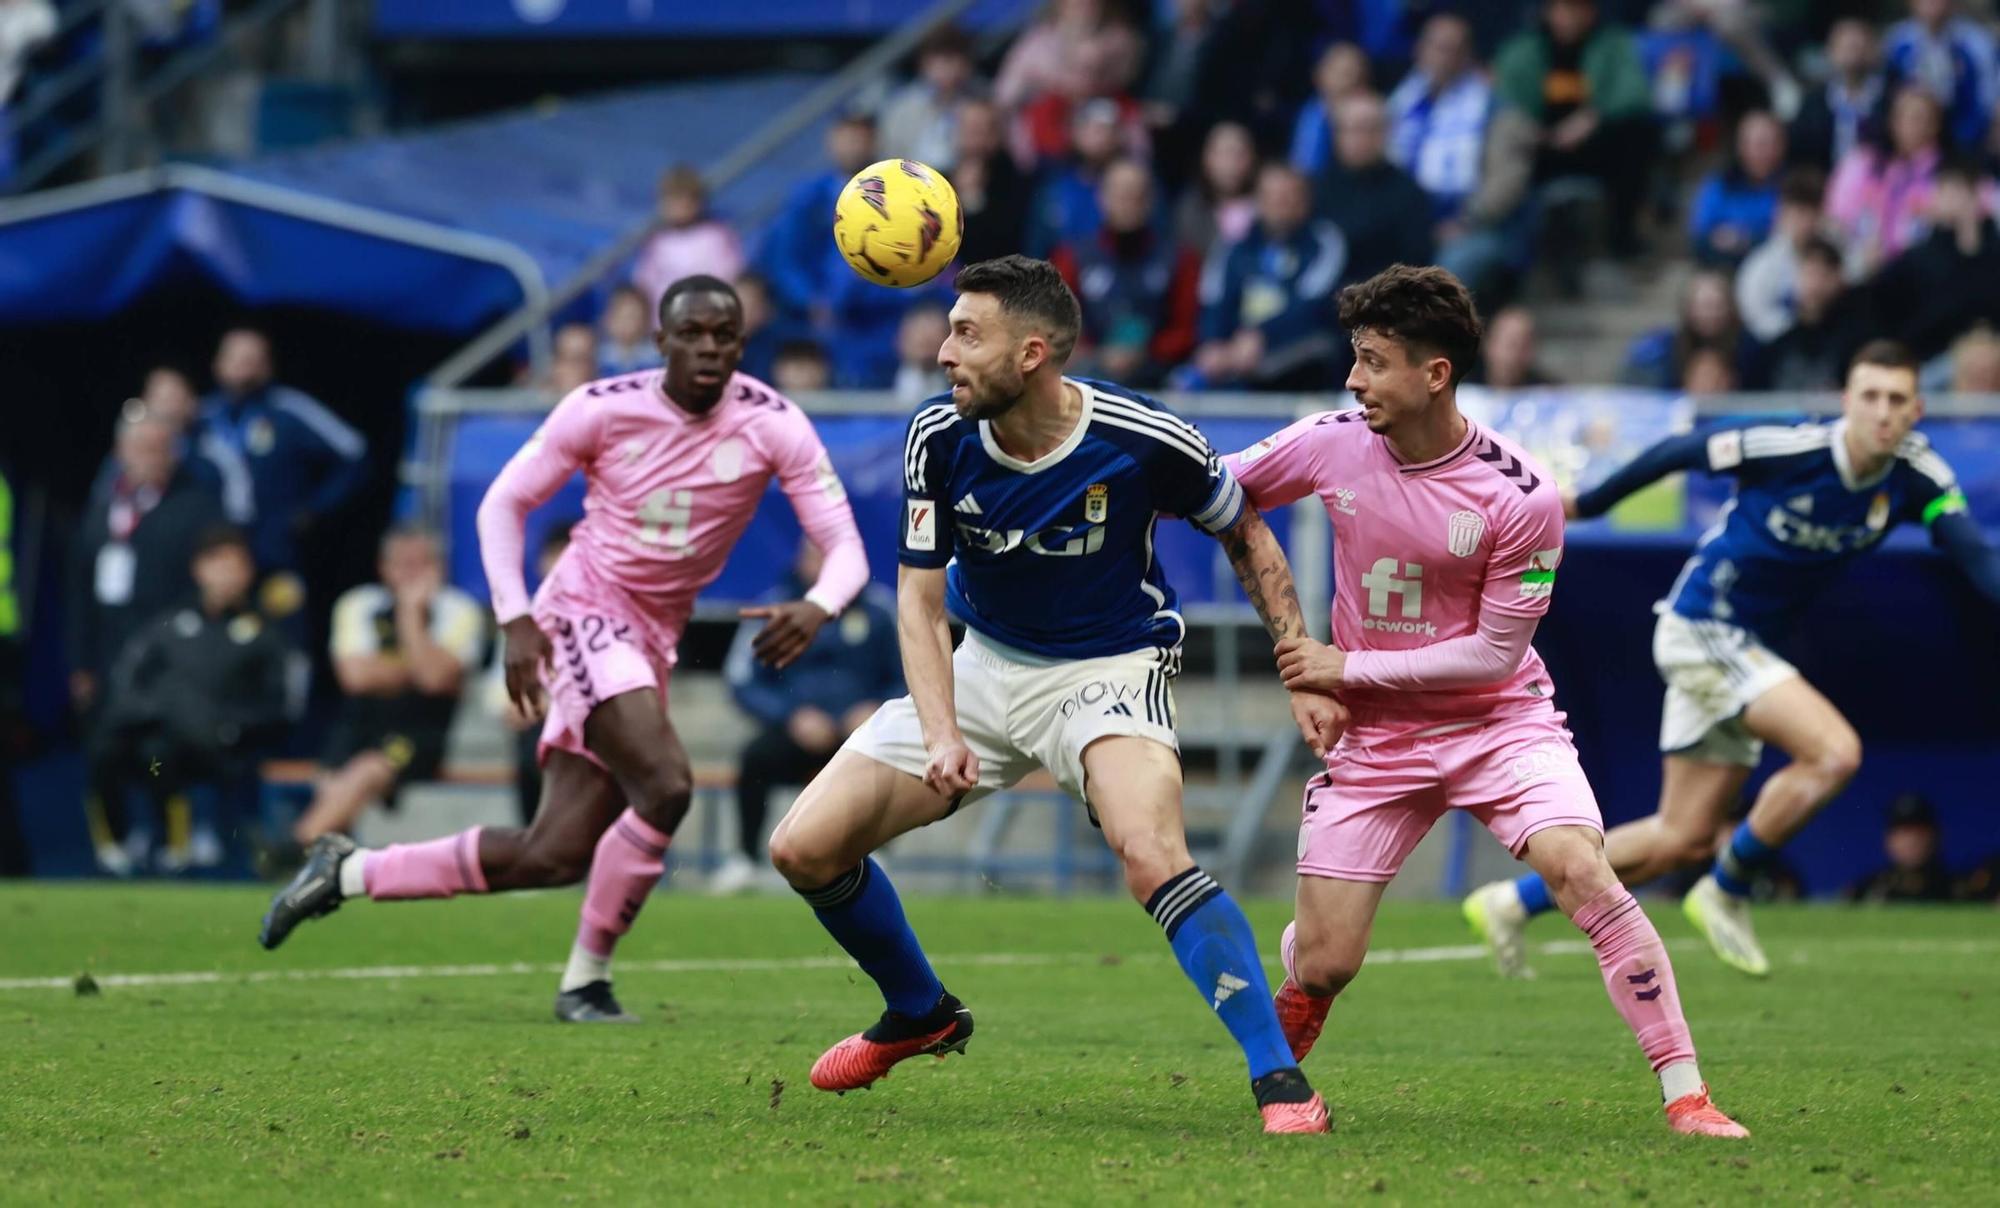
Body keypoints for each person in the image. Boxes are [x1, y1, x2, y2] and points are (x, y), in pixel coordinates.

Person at [765, 255, 1339, 1134]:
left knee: (1151, 852)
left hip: (1108, 671)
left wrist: (1298, 661)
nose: (944, 352)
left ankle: (1279, 1081)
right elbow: (918, 601)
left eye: (968, 334)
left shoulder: (1144, 437)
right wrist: (942, 728)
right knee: (803, 848)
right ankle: (921, 1012)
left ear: (1032, 353)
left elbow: (1246, 533)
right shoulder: (938, 438)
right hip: (984, 661)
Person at [258, 275, 870, 1028]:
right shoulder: (602, 408)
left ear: (742, 346)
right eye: (693, 333)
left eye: (725, 336)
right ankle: (585, 985)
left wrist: (818, 605)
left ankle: (345, 870)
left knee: (552, 853)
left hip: (651, 637)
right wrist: (514, 616)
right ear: (661, 342)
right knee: (669, 784)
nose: (709, 348)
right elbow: (503, 503)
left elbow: (845, 547)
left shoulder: (774, 423)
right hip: (583, 609)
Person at [1228, 264, 1746, 1140]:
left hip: (1498, 721)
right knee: (1324, 963)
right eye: (1355, 359)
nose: (1355, 380)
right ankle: (1306, 978)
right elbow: (1221, 495)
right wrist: (1296, 656)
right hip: (1378, 740)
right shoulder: (1330, 439)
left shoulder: (1523, 495)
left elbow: (1491, 654)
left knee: (1581, 869)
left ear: (1435, 375)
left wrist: (1338, 670)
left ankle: (1687, 1096)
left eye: (1374, 362)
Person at [1469, 340, 2000, 977]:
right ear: (1846, 402)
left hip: (1747, 646)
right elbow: (1684, 449)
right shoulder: (1793, 447)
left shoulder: (1919, 479)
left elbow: (1974, 554)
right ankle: (1728, 887)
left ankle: (1510, 900)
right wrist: (1595, 501)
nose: (1882, 412)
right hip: (1705, 625)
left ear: (1916, 409)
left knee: (1681, 836)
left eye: (1896, 400)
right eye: (1870, 397)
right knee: (1834, 753)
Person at [70, 407, 227, 873]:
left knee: (158, 757)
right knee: (102, 754)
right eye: (140, 448)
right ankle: (113, 842)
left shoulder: (195, 507)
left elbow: (207, 584)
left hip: (166, 658)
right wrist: (81, 662)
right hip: (109, 655)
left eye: (159, 449)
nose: (148, 458)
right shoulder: (104, 508)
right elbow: (80, 590)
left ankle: (170, 840)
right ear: (121, 452)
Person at [93, 526, 294, 873]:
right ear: (198, 569)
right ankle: (117, 844)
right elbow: (129, 676)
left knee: (159, 752)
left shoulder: (264, 633)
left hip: (223, 747)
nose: (226, 575)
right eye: (217, 564)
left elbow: (281, 703)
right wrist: (146, 710)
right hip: (160, 742)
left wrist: (233, 727)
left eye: (235, 565)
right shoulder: (171, 622)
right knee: (117, 750)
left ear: (249, 571)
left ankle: (179, 844)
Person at [718, 540, 902, 895]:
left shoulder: (880, 610)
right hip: (798, 732)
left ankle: (879, 852)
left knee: (892, 755)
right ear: (802, 560)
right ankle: (745, 859)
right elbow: (743, 679)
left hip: (861, 732)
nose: (824, 566)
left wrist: (878, 709)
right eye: (817, 556)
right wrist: (790, 716)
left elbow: (909, 673)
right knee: (755, 758)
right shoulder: (774, 607)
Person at [290, 527, 486, 845]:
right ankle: (325, 866)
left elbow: (434, 680)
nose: (411, 574)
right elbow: (355, 678)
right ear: (384, 567)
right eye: (402, 563)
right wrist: (417, 664)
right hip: (360, 725)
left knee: (369, 769)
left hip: (421, 731)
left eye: (421, 564)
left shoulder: (459, 610)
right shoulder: (358, 604)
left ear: (440, 568)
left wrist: (410, 615)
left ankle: (295, 846)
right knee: (333, 780)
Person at [193, 328, 368, 580]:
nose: (244, 369)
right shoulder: (200, 417)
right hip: (215, 552)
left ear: (268, 366)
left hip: (276, 550)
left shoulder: (289, 408)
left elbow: (355, 453)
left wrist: (314, 510)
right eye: (236, 359)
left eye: (253, 360)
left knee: (280, 614)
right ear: (218, 364)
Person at [1493, 0, 1655, 257]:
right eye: (1563, 8)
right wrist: (1539, 133)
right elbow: (1504, 101)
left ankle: (1621, 237)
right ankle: (1510, 250)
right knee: (1505, 140)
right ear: (1548, 11)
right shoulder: (1522, 50)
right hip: (1538, 146)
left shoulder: (1613, 44)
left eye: (1579, 9)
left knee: (1638, 133)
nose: (1570, 17)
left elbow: (1635, 94)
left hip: (1593, 145)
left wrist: (1592, 117)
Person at [1189, 164, 1347, 390]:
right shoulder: (1234, 246)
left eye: (1288, 196)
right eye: (1271, 197)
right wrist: (1214, 343)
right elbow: (1215, 299)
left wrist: (1262, 335)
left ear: (1304, 200)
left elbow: (1313, 304)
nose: (1280, 205)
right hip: (1236, 355)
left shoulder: (1324, 242)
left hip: (1298, 353)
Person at [1049, 158, 1201, 388]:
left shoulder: (1179, 259)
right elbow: (1054, 325)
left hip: (1159, 380)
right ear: (1102, 198)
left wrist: (1146, 352)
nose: (1128, 203)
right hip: (1089, 378)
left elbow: (1188, 329)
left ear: (1150, 201)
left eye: (1136, 195)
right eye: (1120, 194)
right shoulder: (1071, 258)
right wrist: (1098, 354)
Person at [1868, 160, 2000, 364]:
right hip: (1933, 359)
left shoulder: (1992, 251)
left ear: (1975, 196)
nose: (1951, 200)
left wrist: (1970, 243)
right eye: (1943, 192)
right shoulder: (1917, 257)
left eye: (1959, 192)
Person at [1313, 93, 1435, 286]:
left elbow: (1415, 265)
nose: (1359, 139)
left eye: (1369, 129)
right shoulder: (1315, 187)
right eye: (1351, 130)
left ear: (1385, 134)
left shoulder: (1408, 193)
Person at [1826, 86, 1948, 273]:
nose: (1913, 125)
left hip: (1923, 274)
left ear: (1936, 125)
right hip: (1863, 268)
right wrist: (1855, 254)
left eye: (1921, 118)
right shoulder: (1864, 164)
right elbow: (1835, 221)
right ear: (1893, 121)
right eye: (1904, 117)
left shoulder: (1948, 175)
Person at [1735, 167, 1836, 344]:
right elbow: (1755, 315)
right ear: (1781, 213)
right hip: (1781, 347)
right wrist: (1797, 328)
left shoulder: (1838, 250)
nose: (1805, 223)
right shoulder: (1761, 264)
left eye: (1811, 213)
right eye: (1798, 213)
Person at [1756, 236, 1871, 391]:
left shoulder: (1858, 339)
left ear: (1838, 278)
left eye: (1822, 274)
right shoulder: (1780, 345)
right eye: (1808, 273)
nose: (1814, 285)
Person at [631, 165, 745, 318]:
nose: (676, 206)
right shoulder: (657, 240)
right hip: (662, 323)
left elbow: (728, 279)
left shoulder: (716, 236)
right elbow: (644, 284)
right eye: (670, 199)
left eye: (682, 199)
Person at [1883, 0, 1997, 152]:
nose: (1933, 3)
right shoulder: (1897, 41)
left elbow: (1988, 100)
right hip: (1907, 142)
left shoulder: (1977, 43)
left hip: (1964, 140)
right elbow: (1887, 95)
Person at [878, 23, 984, 173]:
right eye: (945, 60)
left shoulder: (981, 100)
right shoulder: (902, 107)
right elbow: (890, 156)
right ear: (925, 63)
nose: (952, 68)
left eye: (958, 59)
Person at [1689, 110, 1787, 267]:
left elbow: (1791, 240)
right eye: (1760, 144)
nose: (1767, 152)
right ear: (1741, 146)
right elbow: (1699, 237)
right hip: (1720, 267)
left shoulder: (1791, 187)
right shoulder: (1719, 185)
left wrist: (1745, 240)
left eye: (1774, 143)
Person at [1788, 18, 1886, 173]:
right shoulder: (1814, 102)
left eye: (1859, 47)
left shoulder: (1891, 100)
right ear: (1831, 52)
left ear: (1874, 52)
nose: (1854, 54)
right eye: (1847, 47)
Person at [951, 98, 1033, 267]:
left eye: (985, 130)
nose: (977, 139)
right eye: (971, 130)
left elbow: (1001, 248)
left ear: (999, 135)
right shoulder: (938, 181)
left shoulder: (1017, 185)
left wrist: (972, 200)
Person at [1845, 792, 1955, 903]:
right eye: (1903, 831)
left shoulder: (1958, 890)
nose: (1911, 840)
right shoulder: (1865, 891)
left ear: (1936, 836)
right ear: (1888, 840)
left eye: (1919, 830)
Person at [1172, 120, 1258, 254]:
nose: (1231, 163)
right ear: (1207, 158)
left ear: (1253, 159)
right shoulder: (1188, 208)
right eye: (1224, 154)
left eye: (1239, 154)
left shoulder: (1265, 208)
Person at [1288, 42, 1372, 174]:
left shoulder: (1368, 122)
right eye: (1342, 72)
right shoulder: (1303, 112)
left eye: (1355, 73)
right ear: (1319, 73)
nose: (1350, 81)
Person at [1470, 306, 1558, 389]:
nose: (1515, 354)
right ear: (1489, 345)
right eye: (1510, 344)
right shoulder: (1462, 391)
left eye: (1524, 347)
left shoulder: (1549, 393)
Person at [890, 305, 951, 406]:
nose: (927, 339)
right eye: (920, 333)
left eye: (934, 336)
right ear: (900, 340)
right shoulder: (871, 384)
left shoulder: (960, 385)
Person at [597, 285, 663, 377]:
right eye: (620, 316)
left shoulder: (656, 359)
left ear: (645, 321)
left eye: (632, 317)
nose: (625, 323)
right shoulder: (597, 357)